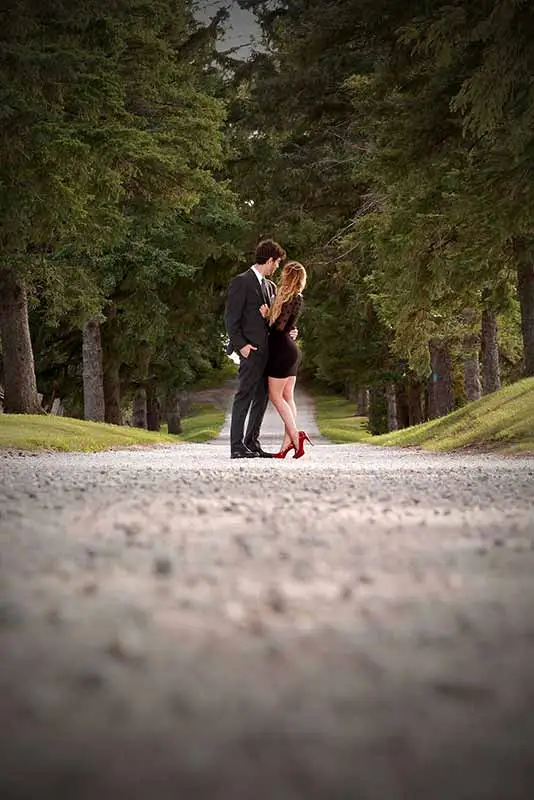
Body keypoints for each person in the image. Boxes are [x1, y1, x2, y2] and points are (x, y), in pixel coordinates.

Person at [224, 238, 286, 458]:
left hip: (267, 353)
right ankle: (236, 446)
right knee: (245, 396)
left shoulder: (271, 287)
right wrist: (241, 346)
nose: (277, 267)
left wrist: (287, 330)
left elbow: (274, 321)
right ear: (269, 260)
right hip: (250, 351)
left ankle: (252, 442)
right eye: (277, 263)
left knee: (262, 397)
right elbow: (232, 319)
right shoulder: (241, 282)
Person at [263, 261, 312, 459]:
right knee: (288, 397)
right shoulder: (298, 298)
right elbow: (288, 327)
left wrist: (266, 316)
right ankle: (285, 446)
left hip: (281, 349)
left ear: (287, 276)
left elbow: (279, 327)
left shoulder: (286, 297)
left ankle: (296, 436)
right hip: (291, 350)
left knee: (276, 397)